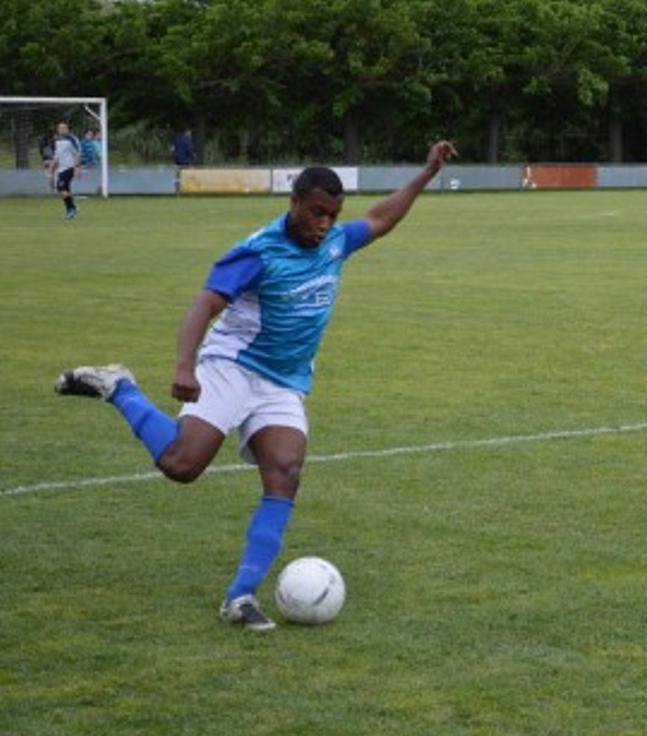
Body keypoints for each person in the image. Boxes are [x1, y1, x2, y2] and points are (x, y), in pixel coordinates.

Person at [55, 140, 459, 631]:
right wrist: (185, 366)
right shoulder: (258, 252)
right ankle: (121, 388)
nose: (324, 224)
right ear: (294, 202)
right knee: (182, 465)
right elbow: (204, 304)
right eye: (315, 213)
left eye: (332, 215)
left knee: (285, 470)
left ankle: (240, 597)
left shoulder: (334, 242)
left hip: (283, 381)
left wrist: (427, 172)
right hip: (232, 365)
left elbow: (380, 218)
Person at [46, 120, 82, 220]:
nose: (61, 129)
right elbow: (57, 156)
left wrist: (77, 167)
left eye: (63, 128)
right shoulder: (57, 140)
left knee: (60, 188)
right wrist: (51, 168)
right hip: (61, 169)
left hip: (69, 167)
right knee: (64, 190)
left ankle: (72, 209)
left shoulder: (72, 139)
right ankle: (71, 209)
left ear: (67, 129)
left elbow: (78, 153)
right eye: (60, 128)